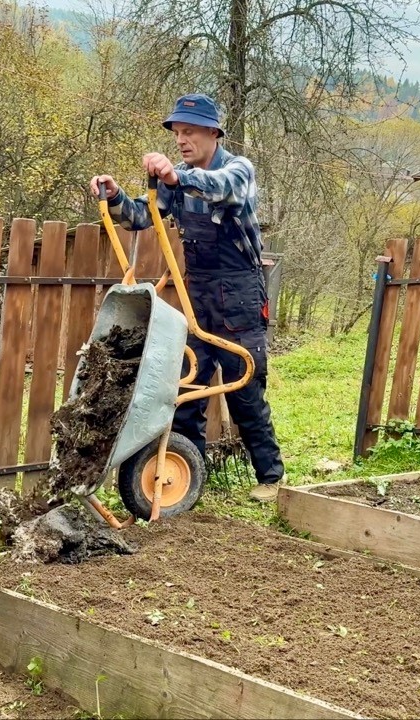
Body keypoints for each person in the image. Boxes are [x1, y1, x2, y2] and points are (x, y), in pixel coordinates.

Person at [88, 93, 285, 502]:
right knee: (187, 385)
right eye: (177, 133)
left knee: (243, 386)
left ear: (214, 132)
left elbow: (221, 189)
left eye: (190, 131)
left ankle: (271, 476)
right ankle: (187, 476)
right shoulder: (178, 177)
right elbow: (143, 215)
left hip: (241, 295)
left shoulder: (237, 170)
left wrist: (178, 179)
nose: (182, 139)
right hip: (198, 293)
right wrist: (115, 196)